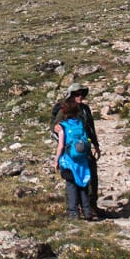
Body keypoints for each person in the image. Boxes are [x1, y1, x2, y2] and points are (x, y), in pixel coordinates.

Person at [52, 83, 101, 211]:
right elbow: (55, 127)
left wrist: (96, 145)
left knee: (91, 175)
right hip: (71, 150)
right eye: (76, 94)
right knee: (72, 178)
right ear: (71, 95)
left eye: (81, 94)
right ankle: (74, 208)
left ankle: (91, 206)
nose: (80, 96)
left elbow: (91, 128)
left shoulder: (85, 109)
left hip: (86, 148)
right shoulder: (64, 109)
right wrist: (57, 130)